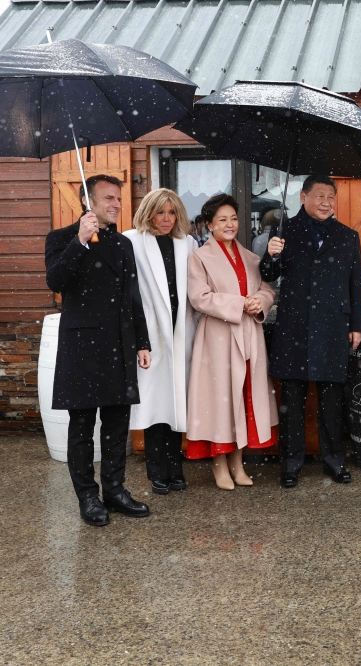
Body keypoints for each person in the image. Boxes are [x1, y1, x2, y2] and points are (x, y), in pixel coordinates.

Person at [44, 174, 152, 526]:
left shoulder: (122, 245)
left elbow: (132, 297)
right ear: (87, 201)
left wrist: (143, 341)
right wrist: (79, 240)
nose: (117, 204)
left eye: (118, 199)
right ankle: (88, 497)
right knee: (81, 426)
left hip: (119, 345)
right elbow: (57, 282)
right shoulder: (61, 238)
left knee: (117, 424)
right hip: (83, 348)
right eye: (109, 198)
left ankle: (115, 491)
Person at [262, 175, 361, 488]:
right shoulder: (284, 232)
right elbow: (267, 274)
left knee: (331, 400)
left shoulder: (348, 236)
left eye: (330, 197)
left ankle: (334, 462)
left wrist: (357, 325)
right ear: (303, 196)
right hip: (294, 327)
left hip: (334, 327)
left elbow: (356, 285)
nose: (325, 203)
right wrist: (272, 254)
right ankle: (290, 465)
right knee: (292, 401)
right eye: (319, 196)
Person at [186, 194, 278, 490]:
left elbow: (267, 288)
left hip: (249, 336)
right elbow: (199, 297)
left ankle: (238, 464)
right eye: (222, 219)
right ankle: (219, 466)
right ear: (210, 225)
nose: (229, 224)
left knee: (242, 398)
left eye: (234, 218)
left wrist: (259, 302)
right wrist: (240, 304)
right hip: (218, 339)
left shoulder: (252, 258)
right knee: (220, 401)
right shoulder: (199, 258)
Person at [123, 189, 199, 495]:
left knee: (177, 403)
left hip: (182, 331)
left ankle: (175, 468)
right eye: (160, 212)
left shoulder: (187, 243)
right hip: (150, 333)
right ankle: (157, 472)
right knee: (156, 405)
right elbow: (128, 290)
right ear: (148, 213)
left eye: (171, 212)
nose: (166, 219)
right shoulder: (132, 241)